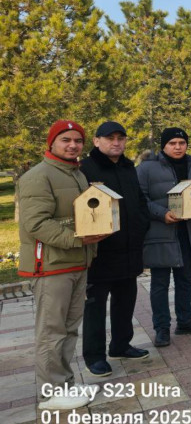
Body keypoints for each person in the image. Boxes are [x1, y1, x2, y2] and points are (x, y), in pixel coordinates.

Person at [18, 120, 104, 410]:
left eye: (77, 140)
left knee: (68, 329)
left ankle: (63, 383)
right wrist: (78, 240)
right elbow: (36, 223)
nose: (73, 145)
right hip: (51, 266)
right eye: (65, 139)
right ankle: (50, 393)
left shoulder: (76, 173)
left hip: (77, 263)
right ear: (52, 142)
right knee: (51, 331)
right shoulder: (38, 176)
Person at [80, 121, 151, 377]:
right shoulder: (85, 169)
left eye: (121, 138)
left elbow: (139, 200)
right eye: (110, 138)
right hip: (100, 253)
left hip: (129, 248)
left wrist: (141, 225)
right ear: (96, 141)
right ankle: (94, 356)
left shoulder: (128, 167)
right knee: (95, 307)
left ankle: (121, 345)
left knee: (125, 301)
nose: (116, 142)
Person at [138, 128, 191, 348]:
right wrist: (162, 214)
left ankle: (185, 321)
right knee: (160, 284)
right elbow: (140, 198)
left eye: (181, 143)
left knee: (185, 280)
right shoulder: (147, 168)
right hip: (160, 233)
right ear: (164, 145)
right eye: (172, 143)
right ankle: (161, 329)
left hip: (187, 232)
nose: (178, 147)